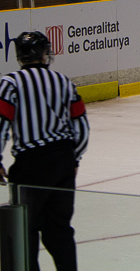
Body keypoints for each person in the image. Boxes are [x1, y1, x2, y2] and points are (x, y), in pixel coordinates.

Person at [0, 31, 90, 271]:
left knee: (25, 232)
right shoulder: (63, 81)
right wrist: (74, 158)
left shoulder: (10, 83)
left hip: (30, 165)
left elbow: (1, 124)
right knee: (59, 231)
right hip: (62, 162)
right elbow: (81, 125)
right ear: (42, 53)